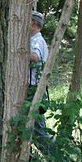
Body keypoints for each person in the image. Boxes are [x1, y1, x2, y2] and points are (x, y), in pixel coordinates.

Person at [29, 10, 54, 152]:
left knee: (38, 130)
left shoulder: (38, 40)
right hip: (31, 87)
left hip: (35, 89)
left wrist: (19, 50)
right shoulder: (33, 40)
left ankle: (55, 159)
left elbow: (35, 57)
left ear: (34, 23)